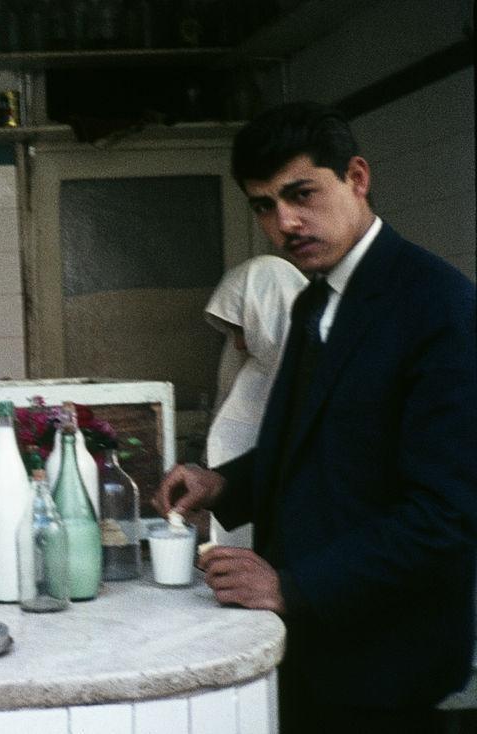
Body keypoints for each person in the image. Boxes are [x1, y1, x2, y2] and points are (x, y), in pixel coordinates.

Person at [154, 102, 476, 733]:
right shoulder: (314, 300)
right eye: (264, 205)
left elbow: (449, 513)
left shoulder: (439, 307)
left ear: (356, 177)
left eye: (301, 194)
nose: (285, 223)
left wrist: (291, 588)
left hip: (385, 661)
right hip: (308, 648)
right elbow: (315, 445)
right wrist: (225, 485)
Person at [203, 254, 307, 547]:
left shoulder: (323, 370)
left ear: (267, 311)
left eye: (242, 328)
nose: (238, 344)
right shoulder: (255, 371)